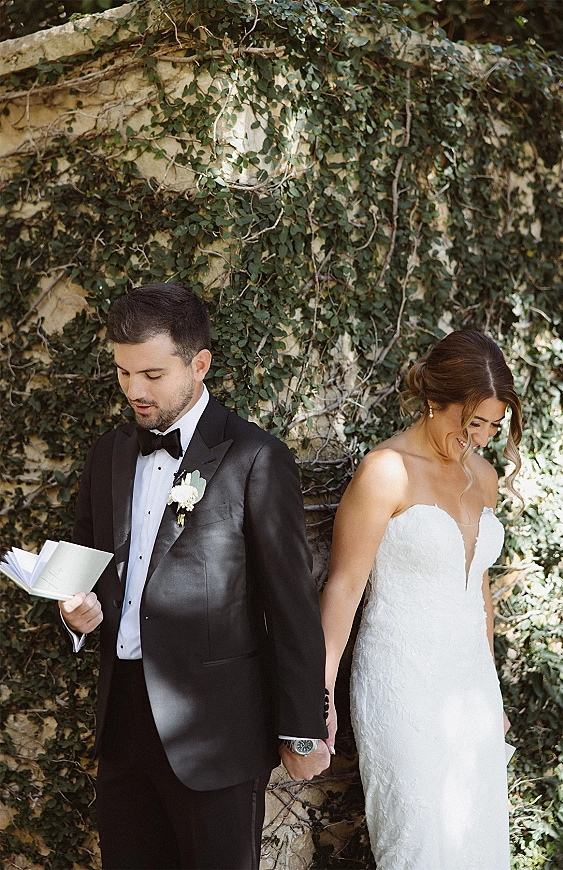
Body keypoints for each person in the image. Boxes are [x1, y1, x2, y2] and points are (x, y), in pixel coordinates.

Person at [58, 282, 330, 870]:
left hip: (217, 734)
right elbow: (88, 561)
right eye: (125, 373)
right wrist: (77, 613)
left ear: (200, 364)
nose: (135, 390)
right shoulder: (108, 453)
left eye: (153, 375)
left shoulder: (255, 458)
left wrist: (304, 728)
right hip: (123, 725)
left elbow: (292, 605)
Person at [320, 330, 523, 870]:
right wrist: (318, 695)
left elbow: (477, 588)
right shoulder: (386, 471)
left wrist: (492, 690)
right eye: (469, 421)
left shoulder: (483, 478)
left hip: (470, 689)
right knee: (418, 845)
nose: (477, 438)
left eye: (490, 427)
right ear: (435, 400)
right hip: (401, 683)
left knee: (476, 844)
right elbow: (344, 585)